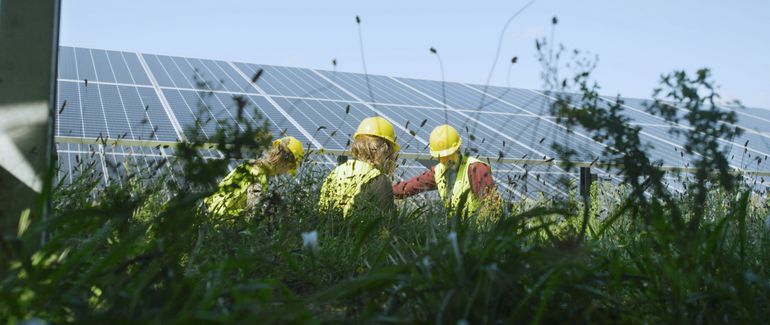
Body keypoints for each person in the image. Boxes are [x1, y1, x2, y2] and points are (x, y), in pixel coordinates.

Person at [392, 124, 501, 219]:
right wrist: (384, 190)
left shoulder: (476, 169)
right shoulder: (439, 171)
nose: (445, 160)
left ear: (458, 149)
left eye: (449, 155)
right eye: (441, 156)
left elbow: (493, 208)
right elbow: (410, 187)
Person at [317, 116, 399, 217]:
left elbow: (322, 211)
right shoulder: (379, 180)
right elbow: (385, 223)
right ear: (385, 150)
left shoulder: (336, 172)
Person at [205, 136, 304, 218]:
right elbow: (253, 213)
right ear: (287, 163)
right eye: (290, 168)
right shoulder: (258, 176)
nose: (285, 172)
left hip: (207, 217)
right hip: (221, 228)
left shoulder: (248, 166)